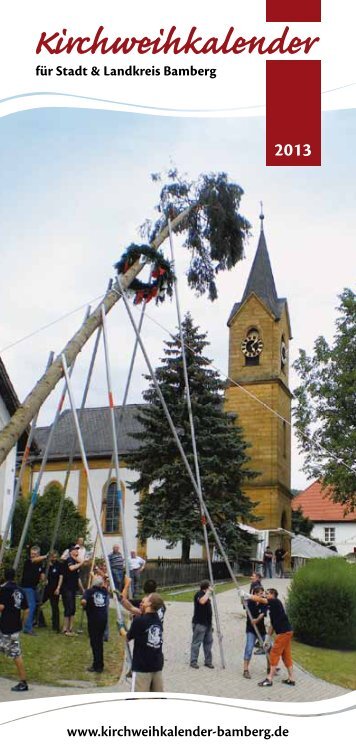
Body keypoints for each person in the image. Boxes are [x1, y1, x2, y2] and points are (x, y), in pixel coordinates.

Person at [248, 588, 295, 687]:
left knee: (274, 653)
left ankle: (269, 679)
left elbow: (261, 600)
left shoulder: (275, 601)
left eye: (267, 593)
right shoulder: (272, 609)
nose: (265, 595)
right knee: (286, 655)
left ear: (273, 594)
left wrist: (247, 596)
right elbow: (272, 625)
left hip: (283, 633)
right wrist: (267, 639)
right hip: (287, 632)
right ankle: (291, 679)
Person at [126, 592, 164, 692]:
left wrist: (121, 628)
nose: (142, 602)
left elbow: (127, 638)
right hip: (157, 665)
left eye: (146, 600)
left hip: (142, 668)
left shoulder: (139, 621)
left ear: (149, 604)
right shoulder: (158, 620)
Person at [0, 568, 29, 692]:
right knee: (16, 654)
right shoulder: (20, 590)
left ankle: (23, 682)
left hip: (5, 626)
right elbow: (26, 609)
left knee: (16, 654)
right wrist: (22, 623)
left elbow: (1, 607)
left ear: (4, 576)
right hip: (15, 626)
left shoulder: (4, 589)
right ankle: (23, 681)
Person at [81, 575, 109, 673]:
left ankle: (96, 665)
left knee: (94, 642)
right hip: (103, 619)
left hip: (94, 620)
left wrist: (85, 605)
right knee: (99, 642)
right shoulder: (104, 591)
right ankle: (99, 664)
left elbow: (83, 601)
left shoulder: (89, 592)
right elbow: (105, 584)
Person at [57, 544, 84, 635]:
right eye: (75, 550)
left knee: (73, 609)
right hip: (66, 588)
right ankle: (65, 629)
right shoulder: (69, 560)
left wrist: (82, 589)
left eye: (77, 550)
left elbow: (77, 577)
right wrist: (80, 563)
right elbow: (71, 568)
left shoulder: (75, 561)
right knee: (68, 607)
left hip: (73, 588)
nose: (77, 551)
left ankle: (70, 628)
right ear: (71, 551)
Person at [21, 545, 47, 635]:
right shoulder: (28, 561)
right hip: (27, 587)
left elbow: (42, 574)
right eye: (32, 553)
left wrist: (44, 580)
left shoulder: (40, 564)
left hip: (34, 587)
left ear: (38, 554)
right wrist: (46, 556)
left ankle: (29, 622)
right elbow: (34, 560)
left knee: (38, 602)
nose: (32, 555)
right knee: (31, 606)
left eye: (35, 554)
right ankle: (28, 628)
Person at [242, 585, 267, 679]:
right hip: (251, 629)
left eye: (263, 593)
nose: (262, 595)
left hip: (261, 629)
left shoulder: (264, 602)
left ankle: (271, 667)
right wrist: (242, 598)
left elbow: (263, 613)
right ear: (255, 594)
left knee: (269, 647)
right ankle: (245, 670)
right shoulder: (250, 601)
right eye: (260, 593)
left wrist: (256, 620)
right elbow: (244, 605)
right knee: (249, 648)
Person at [190, 580, 214, 670]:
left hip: (207, 624)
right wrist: (208, 592)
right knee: (196, 643)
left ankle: (208, 662)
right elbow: (202, 602)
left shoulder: (207, 596)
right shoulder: (199, 594)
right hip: (199, 623)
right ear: (206, 587)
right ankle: (193, 661)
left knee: (208, 643)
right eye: (210, 586)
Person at [42, 550, 63, 632]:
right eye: (52, 557)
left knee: (55, 607)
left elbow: (61, 577)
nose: (53, 558)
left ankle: (56, 626)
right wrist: (44, 579)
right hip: (46, 589)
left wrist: (58, 588)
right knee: (38, 603)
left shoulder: (59, 565)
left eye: (55, 557)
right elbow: (43, 573)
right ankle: (41, 622)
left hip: (55, 589)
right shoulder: (46, 565)